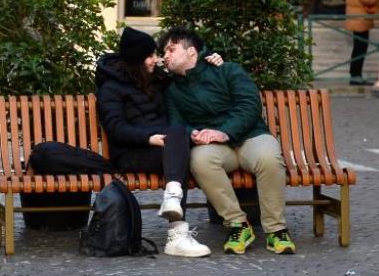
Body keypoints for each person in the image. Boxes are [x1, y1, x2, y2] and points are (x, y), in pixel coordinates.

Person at [160, 27, 294, 256]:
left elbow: (249, 104)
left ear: (192, 52)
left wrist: (224, 132)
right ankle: (238, 225)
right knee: (200, 161)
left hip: (250, 136)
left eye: (171, 49)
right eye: (164, 52)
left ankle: (276, 230)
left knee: (269, 158)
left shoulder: (227, 70)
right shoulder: (172, 89)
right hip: (214, 146)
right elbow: (176, 122)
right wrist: (193, 133)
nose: (166, 56)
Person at [95, 27, 213, 257]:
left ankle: (173, 198)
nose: (155, 60)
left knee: (177, 137)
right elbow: (116, 128)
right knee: (178, 147)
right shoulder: (110, 89)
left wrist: (209, 58)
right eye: (150, 56)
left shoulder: (155, 80)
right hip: (131, 154)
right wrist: (149, 138)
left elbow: (187, 70)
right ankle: (176, 233)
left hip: (166, 147)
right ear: (136, 61)